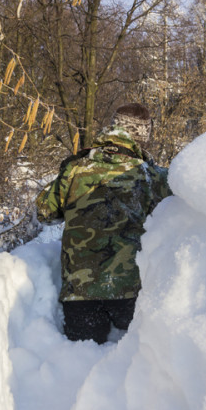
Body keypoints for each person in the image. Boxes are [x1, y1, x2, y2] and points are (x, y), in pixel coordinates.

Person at [35, 103, 171, 344]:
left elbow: (45, 212)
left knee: (77, 364)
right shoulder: (152, 177)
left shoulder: (75, 169)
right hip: (131, 293)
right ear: (142, 135)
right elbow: (177, 219)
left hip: (80, 291)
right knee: (137, 366)